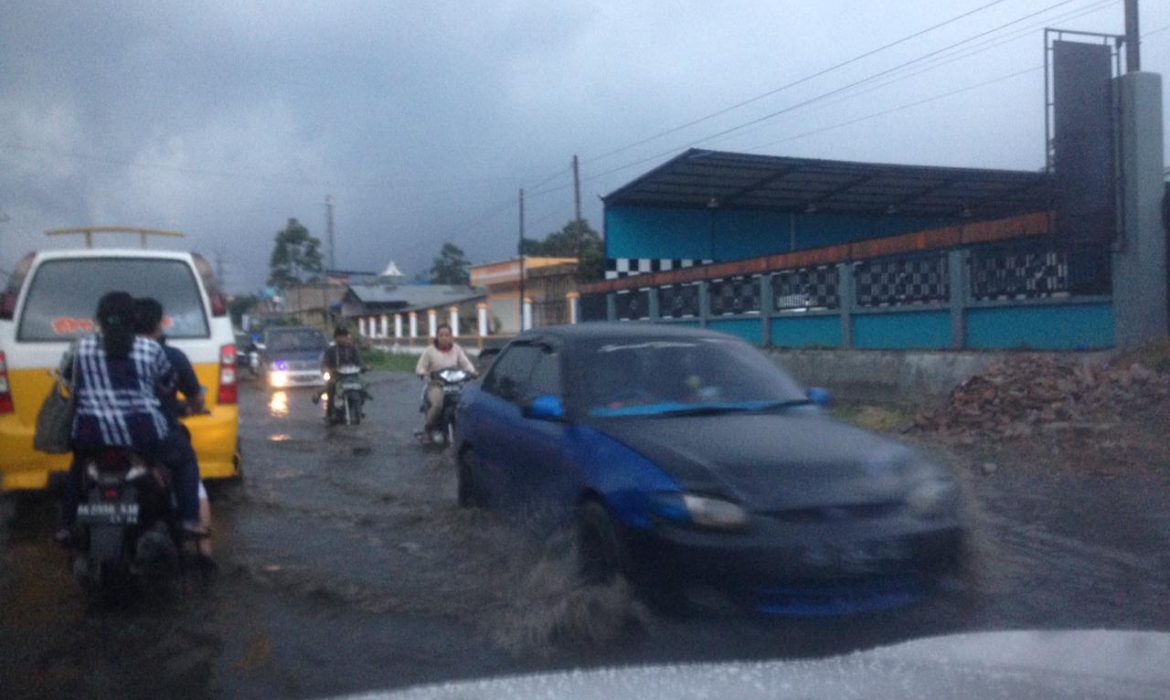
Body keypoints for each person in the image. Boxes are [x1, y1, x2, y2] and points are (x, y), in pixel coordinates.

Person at [57, 292, 203, 545]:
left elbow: (68, 383)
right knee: (185, 460)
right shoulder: (150, 349)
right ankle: (189, 521)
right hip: (144, 435)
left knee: (77, 467)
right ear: (133, 319)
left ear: (99, 319)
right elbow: (167, 385)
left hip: (91, 435)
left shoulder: (79, 348)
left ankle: (67, 526)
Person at [133, 297, 214, 561]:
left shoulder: (112, 354)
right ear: (159, 323)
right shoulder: (170, 356)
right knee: (187, 463)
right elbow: (194, 397)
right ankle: (191, 524)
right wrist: (193, 405)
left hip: (113, 438)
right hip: (160, 437)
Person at [414, 323, 477, 443]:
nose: (444, 337)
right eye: (441, 335)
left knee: (469, 402)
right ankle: (428, 429)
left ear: (451, 337)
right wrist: (425, 373)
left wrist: (473, 372)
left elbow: (466, 364)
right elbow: (419, 368)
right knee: (437, 404)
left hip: (456, 385)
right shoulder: (429, 351)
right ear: (437, 336)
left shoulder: (456, 349)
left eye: (447, 335)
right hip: (436, 385)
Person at [319, 326, 364, 423]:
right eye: (340, 336)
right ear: (336, 338)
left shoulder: (353, 349)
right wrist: (327, 370)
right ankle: (329, 413)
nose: (343, 339)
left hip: (351, 378)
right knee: (331, 390)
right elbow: (324, 364)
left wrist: (364, 368)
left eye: (345, 336)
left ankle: (359, 409)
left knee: (363, 390)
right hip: (336, 377)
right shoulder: (331, 350)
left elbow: (359, 362)